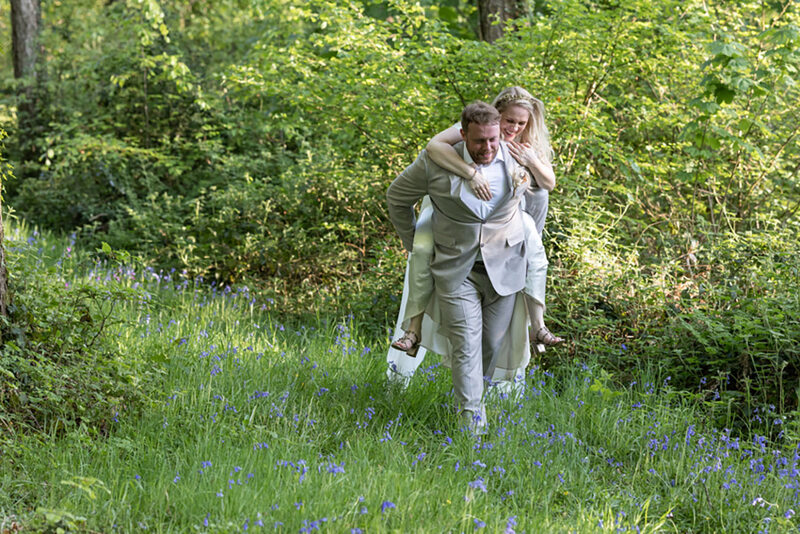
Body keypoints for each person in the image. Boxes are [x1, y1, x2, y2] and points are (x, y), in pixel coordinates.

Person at [389, 87, 562, 365]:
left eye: (521, 123)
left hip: (509, 222)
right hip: (455, 210)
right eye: (509, 121)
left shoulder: (525, 144)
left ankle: (537, 325)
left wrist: (531, 161)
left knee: (536, 258)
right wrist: (469, 173)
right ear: (497, 116)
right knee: (422, 251)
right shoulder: (477, 130)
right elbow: (433, 147)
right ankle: (414, 328)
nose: (514, 128)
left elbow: (549, 184)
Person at [386, 101, 530, 433]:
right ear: (463, 135)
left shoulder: (516, 157)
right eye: (480, 141)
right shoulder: (435, 163)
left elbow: (535, 201)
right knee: (466, 343)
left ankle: (467, 402)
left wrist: (528, 251)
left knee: (489, 346)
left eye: (493, 140)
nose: (488, 148)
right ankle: (472, 426)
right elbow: (397, 197)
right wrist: (414, 243)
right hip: (456, 270)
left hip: (504, 270)